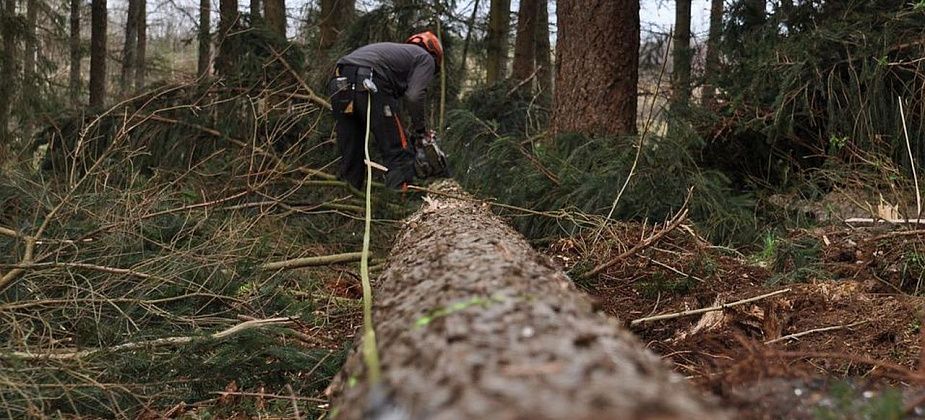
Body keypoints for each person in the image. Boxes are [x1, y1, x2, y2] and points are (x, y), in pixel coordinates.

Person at [327, 31, 444, 190]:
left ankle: (346, 207)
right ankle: (400, 209)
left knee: (350, 156)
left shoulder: (396, 54)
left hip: (340, 82)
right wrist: (420, 131)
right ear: (435, 54)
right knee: (399, 154)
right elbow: (414, 96)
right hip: (369, 82)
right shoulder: (426, 58)